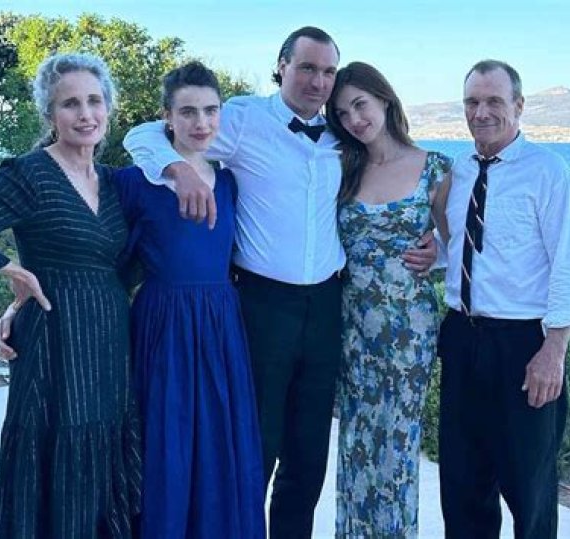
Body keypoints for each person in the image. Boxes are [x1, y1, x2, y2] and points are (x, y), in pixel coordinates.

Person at [123, 27, 436, 537]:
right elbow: (142, 135)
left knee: (307, 455)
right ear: (282, 66)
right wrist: (178, 169)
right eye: (307, 68)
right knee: (255, 445)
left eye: (328, 71)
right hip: (261, 304)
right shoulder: (243, 118)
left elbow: (393, 193)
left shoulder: (344, 135)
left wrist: (435, 246)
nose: (318, 81)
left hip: (328, 303)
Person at [0, 53, 142, 538]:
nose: (85, 114)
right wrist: (9, 269)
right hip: (54, 344)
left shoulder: (114, 183)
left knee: (106, 460)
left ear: (108, 108)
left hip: (110, 345)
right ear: (50, 114)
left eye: (94, 101)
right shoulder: (30, 175)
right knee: (54, 454)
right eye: (70, 104)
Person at [113, 61, 265, 538]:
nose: (202, 123)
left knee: (220, 441)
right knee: (167, 438)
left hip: (221, 324)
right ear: (167, 117)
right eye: (188, 112)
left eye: (211, 111)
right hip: (163, 324)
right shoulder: (136, 181)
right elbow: (102, 256)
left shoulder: (231, 181)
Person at [437, 59, 570, 539]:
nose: (480, 112)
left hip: (523, 346)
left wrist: (554, 349)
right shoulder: (458, 171)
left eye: (493, 101)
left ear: (519, 106)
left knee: (530, 489)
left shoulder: (548, 172)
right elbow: (460, 244)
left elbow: (568, 263)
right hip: (462, 337)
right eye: (472, 102)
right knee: (463, 484)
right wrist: (430, 252)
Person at [324, 61, 451, 538]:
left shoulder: (436, 168)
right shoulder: (343, 167)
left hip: (408, 332)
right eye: (343, 113)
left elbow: (462, 247)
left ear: (384, 98)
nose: (355, 119)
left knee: (397, 446)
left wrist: (436, 254)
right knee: (356, 443)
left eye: (360, 105)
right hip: (352, 327)